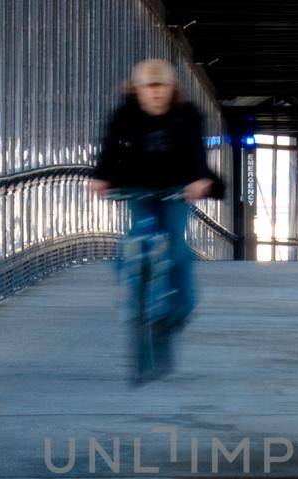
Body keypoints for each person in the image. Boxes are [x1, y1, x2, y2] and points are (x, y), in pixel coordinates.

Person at [88, 59, 221, 374]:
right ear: (138, 91)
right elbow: (109, 149)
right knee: (137, 235)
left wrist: (200, 178)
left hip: (176, 189)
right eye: (149, 88)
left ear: (172, 89)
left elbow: (196, 154)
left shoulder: (188, 116)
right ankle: (131, 278)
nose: (156, 94)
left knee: (175, 247)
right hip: (137, 188)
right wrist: (101, 176)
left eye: (162, 87)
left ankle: (178, 312)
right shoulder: (124, 115)